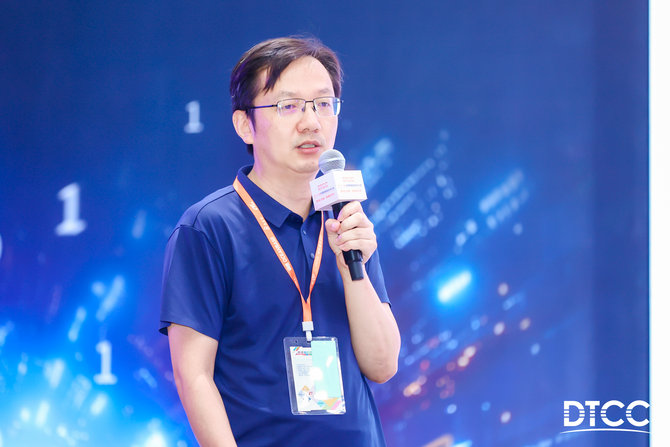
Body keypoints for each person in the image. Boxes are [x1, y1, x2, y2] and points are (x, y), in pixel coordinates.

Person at [159, 36, 401, 447]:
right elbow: (193, 375)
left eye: (323, 104)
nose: (311, 122)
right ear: (244, 124)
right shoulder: (208, 228)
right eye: (289, 106)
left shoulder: (345, 220)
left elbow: (382, 364)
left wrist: (352, 270)